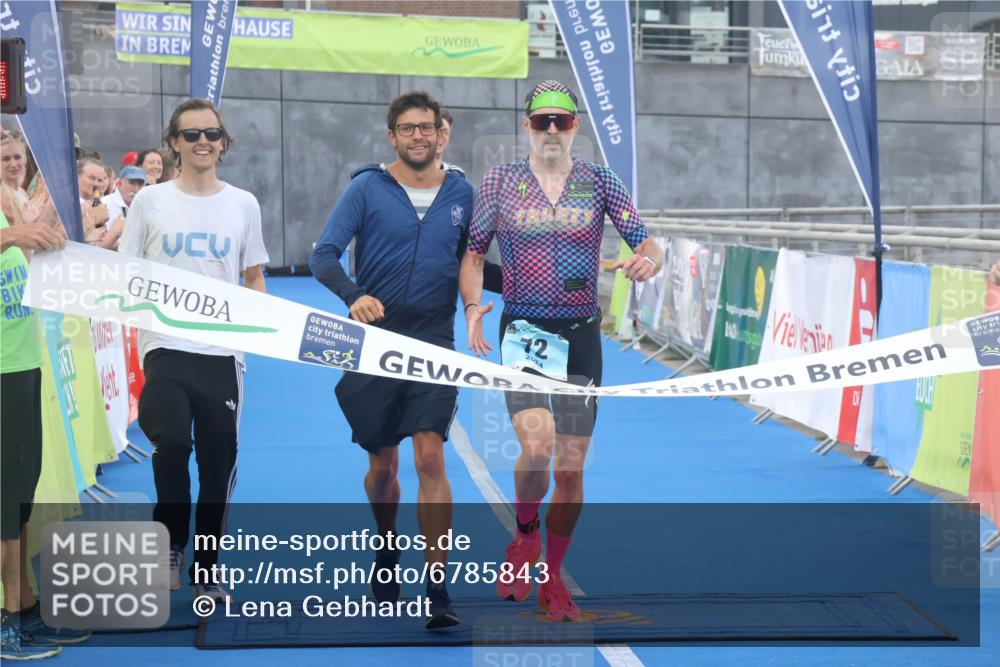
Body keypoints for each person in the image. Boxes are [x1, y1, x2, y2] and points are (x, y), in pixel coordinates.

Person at [459, 80, 662, 622]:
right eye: (542, 120)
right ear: (527, 125)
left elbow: (646, 241)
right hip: (523, 333)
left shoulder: (598, 181)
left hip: (581, 339)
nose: (552, 129)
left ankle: (551, 575)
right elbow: (475, 255)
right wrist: (474, 304)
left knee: (571, 469)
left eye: (562, 121)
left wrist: (650, 259)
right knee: (539, 446)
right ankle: (525, 533)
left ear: (575, 128)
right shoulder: (501, 180)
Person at [310, 90, 470, 631]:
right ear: (392, 136)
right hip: (374, 342)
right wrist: (352, 294)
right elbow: (322, 255)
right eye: (408, 129)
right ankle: (385, 547)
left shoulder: (462, 192)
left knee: (430, 456)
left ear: (439, 132)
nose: (419, 136)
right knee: (383, 466)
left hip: (434, 343)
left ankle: (438, 585)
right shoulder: (366, 188)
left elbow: (476, 263)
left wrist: (532, 285)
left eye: (427, 127)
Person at [118, 98, 269, 602]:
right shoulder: (150, 202)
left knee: (218, 459)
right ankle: (171, 545)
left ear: (224, 142)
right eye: (191, 135)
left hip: (222, 353)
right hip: (165, 346)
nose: (202, 141)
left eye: (212, 133)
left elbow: (252, 276)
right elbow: (126, 271)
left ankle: (208, 564)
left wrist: (263, 324)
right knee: (173, 444)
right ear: (174, 143)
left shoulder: (243, 203)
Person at [1, 211, 92, 660]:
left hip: (21, 364)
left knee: (16, 503)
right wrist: (11, 235)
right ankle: (5, 624)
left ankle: (22, 609)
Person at [100, 165, 146, 249]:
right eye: (131, 183)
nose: (136, 189)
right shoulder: (105, 204)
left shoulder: (144, 208)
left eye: (140, 185)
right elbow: (96, 245)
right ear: (119, 182)